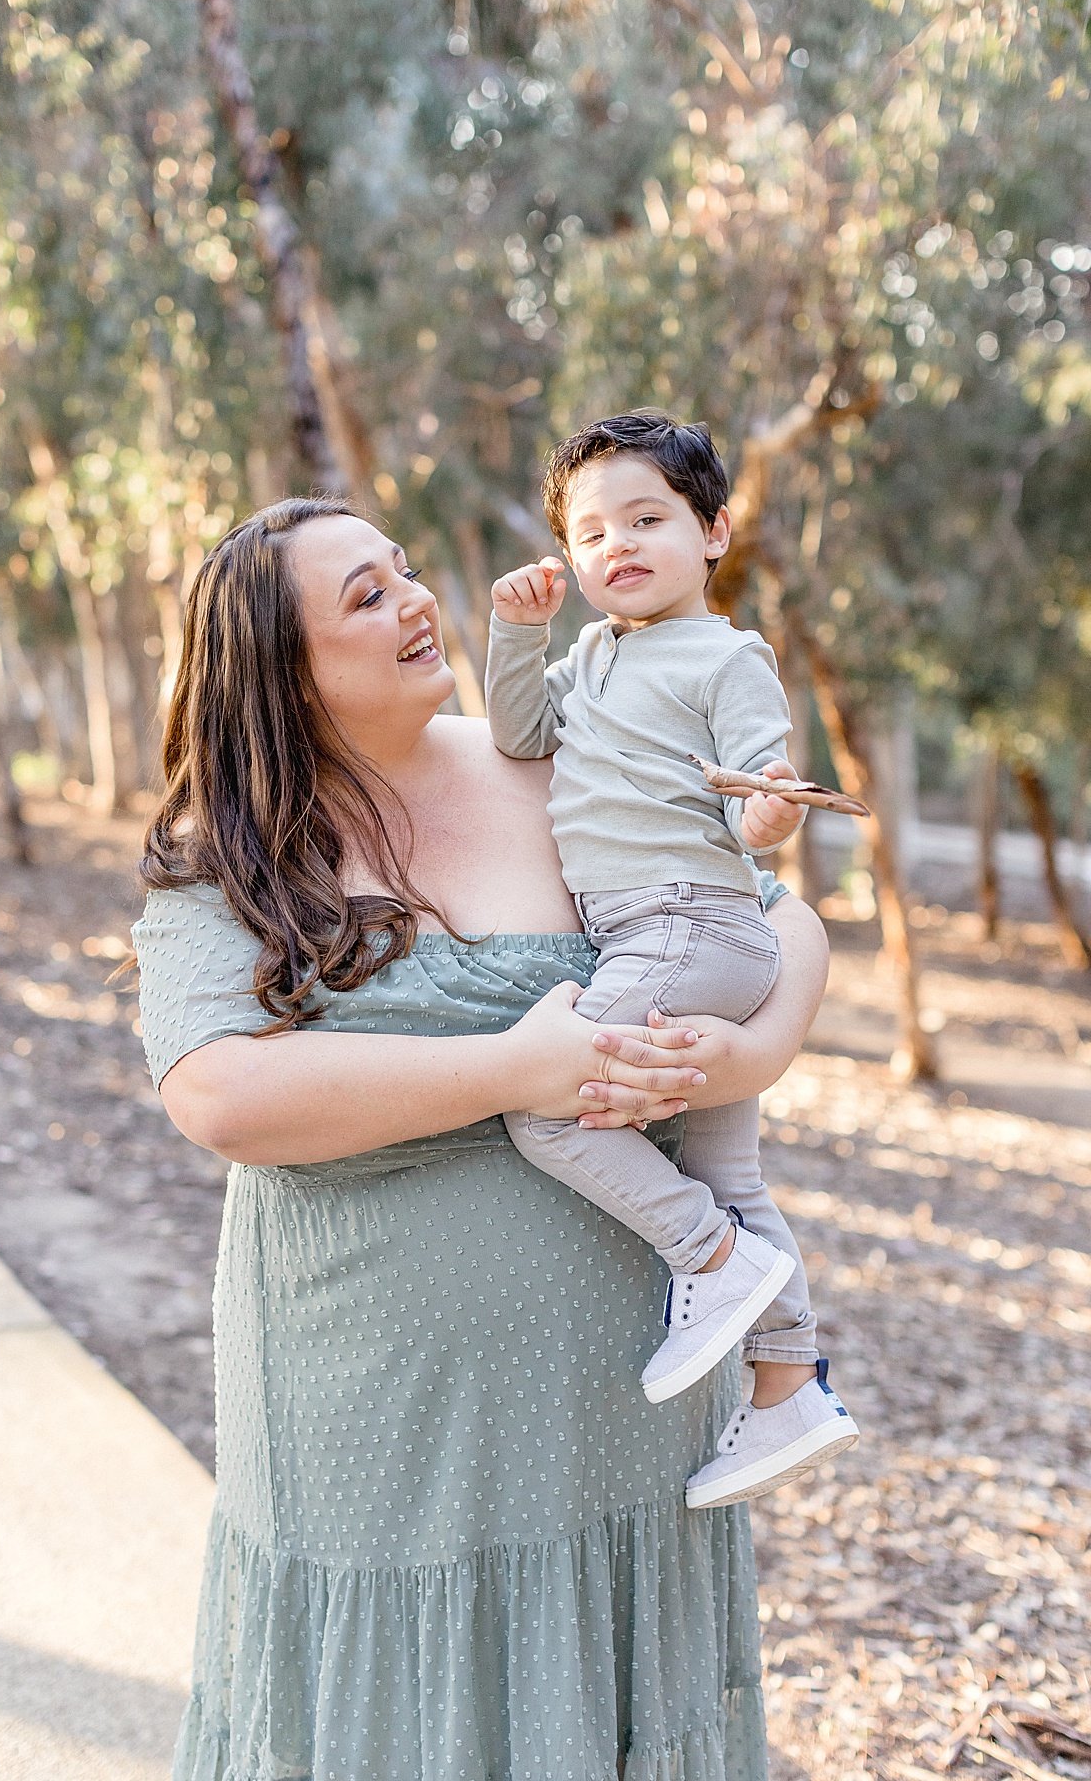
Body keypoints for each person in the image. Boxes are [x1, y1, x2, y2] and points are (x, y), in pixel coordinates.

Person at [132, 495, 830, 1780]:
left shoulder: (559, 761)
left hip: (625, 1407)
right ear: (279, 669)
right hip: (372, 1426)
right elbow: (219, 1093)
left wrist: (751, 1054)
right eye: (364, 596)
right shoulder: (225, 849)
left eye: (404, 570)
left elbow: (774, 921)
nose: (415, 602)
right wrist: (517, 1067)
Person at [485, 411, 858, 1510]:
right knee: (732, 1173)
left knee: (546, 1108)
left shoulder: (727, 653)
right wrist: (520, 635)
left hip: (687, 922)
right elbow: (518, 735)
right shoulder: (593, 655)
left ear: (713, 531)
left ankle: (709, 1261)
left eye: (646, 519)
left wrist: (770, 820)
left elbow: (762, 780)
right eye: (590, 534)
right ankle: (790, 1383)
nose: (618, 547)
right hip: (671, 936)